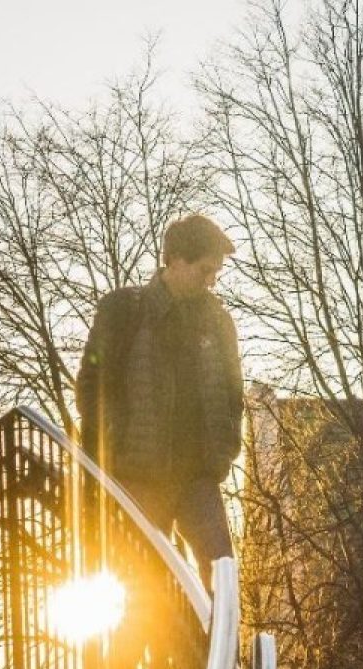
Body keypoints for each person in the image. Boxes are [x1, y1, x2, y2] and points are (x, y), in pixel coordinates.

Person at [75, 214, 243, 582]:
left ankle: (217, 641)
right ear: (177, 260)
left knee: (222, 570)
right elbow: (90, 383)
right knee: (142, 587)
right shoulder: (124, 311)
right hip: (140, 476)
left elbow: (234, 394)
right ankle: (144, 643)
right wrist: (111, 445)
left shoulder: (218, 322)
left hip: (198, 476)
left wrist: (225, 448)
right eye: (204, 270)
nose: (210, 281)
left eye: (216, 273)